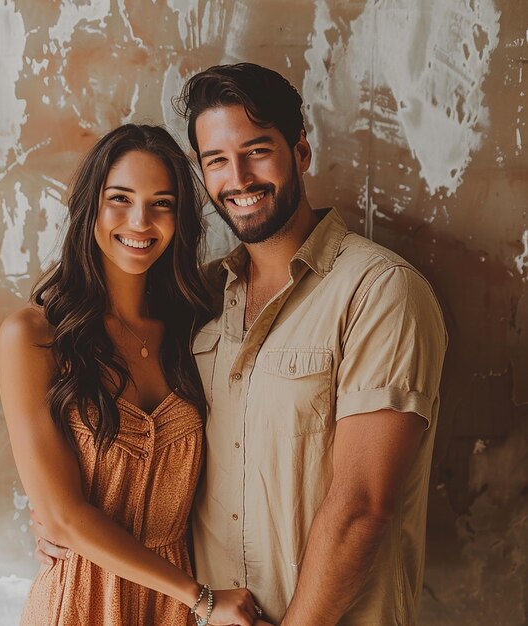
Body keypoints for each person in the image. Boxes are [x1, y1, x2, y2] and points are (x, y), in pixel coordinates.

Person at [35, 64, 447, 625]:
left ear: (300, 152)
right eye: (216, 161)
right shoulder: (196, 300)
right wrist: (60, 516)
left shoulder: (379, 292)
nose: (239, 179)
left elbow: (362, 510)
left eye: (257, 151)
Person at [0, 124, 262, 625]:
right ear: (88, 206)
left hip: (174, 606)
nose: (140, 221)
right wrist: (203, 599)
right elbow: (63, 517)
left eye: (162, 203)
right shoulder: (35, 337)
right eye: (120, 198)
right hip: (84, 599)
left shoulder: (195, 327)